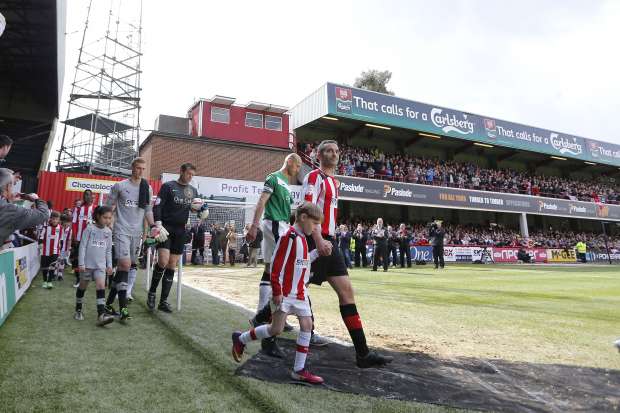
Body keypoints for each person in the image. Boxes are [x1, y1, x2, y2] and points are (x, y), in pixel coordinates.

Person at [300, 140, 393, 367]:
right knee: (294, 288)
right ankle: (266, 333)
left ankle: (363, 354)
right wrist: (318, 239)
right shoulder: (314, 177)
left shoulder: (334, 182)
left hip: (330, 243)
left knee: (347, 292)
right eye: (329, 151)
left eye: (337, 151)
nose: (334, 154)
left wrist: (326, 239)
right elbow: (305, 210)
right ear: (319, 155)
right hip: (314, 242)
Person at [232, 203, 324, 384]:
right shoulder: (288, 237)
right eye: (314, 223)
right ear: (303, 217)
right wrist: (276, 290)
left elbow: (302, 262)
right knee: (276, 329)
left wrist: (317, 253)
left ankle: (299, 370)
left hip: (300, 293)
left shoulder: (302, 238)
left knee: (307, 325)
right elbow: (275, 266)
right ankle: (241, 338)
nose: (315, 228)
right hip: (285, 293)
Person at [245, 153, 302, 356]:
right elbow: (261, 201)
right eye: (298, 166)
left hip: (281, 225)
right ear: (290, 162)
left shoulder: (286, 184)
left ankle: (263, 315)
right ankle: (266, 320)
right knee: (285, 273)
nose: (298, 170)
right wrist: (253, 226)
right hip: (275, 225)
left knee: (270, 269)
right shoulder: (274, 178)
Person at [104, 158, 155, 321]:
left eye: (143, 168)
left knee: (123, 268)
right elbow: (109, 207)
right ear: (132, 168)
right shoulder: (120, 186)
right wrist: (108, 224)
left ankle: (108, 304)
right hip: (121, 230)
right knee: (125, 264)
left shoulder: (147, 188)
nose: (141, 171)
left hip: (136, 233)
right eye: (138, 168)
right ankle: (123, 307)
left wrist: (152, 227)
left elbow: (148, 211)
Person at [148, 163, 199, 313]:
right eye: (188, 174)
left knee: (171, 265)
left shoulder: (193, 190)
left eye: (192, 175)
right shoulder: (168, 186)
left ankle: (163, 301)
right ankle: (152, 293)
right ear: (181, 171)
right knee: (162, 261)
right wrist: (158, 224)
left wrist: (201, 211)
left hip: (181, 230)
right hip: (165, 228)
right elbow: (157, 206)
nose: (190, 177)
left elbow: (195, 208)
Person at [75, 206, 115, 326]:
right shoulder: (89, 229)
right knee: (83, 286)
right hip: (87, 266)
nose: (108, 220)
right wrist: (81, 263)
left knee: (101, 286)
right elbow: (82, 247)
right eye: (105, 217)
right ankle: (78, 309)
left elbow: (108, 250)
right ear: (98, 216)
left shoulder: (108, 232)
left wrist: (109, 265)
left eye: (110, 218)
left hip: (100, 266)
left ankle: (101, 315)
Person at [0, 168, 49, 247]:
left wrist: (9, 201)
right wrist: (36, 199)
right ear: (7, 187)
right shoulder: (11, 211)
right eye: (13, 185)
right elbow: (43, 214)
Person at [71, 190, 95, 288]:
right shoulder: (78, 209)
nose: (86, 196)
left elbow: (97, 224)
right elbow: (74, 223)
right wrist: (75, 237)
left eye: (88, 195)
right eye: (85, 195)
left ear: (91, 196)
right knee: (77, 259)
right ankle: (78, 279)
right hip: (79, 238)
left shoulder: (95, 208)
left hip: (90, 239)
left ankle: (86, 278)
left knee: (87, 259)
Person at [39, 211, 62, 289]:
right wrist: (41, 245)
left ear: (59, 220)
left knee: (52, 266)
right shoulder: (46, 227)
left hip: (55, 251)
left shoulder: (60, 228)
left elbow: (61, 239)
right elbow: (41, 237)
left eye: (57, 219)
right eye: (53, 219)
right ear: (51, 219)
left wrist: (60, 248)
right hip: (45, 251)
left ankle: (49, 282)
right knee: (45, 267)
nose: (55, 221)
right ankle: (44, 281)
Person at [55, 214, 73, 281]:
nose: (66, 223)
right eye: (65, 222)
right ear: (62, 222)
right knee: (57, 261)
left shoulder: (70, 230)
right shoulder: (58, 228)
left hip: (64, 248)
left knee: (62, 261)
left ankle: (60, 275)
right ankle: (54, 273)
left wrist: (68, 249)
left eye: (68, 222)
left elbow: (69, 240)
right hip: (57, 247)